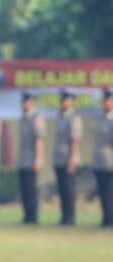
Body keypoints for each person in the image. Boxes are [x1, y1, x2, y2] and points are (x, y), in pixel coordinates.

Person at [54, 89, 82, 226]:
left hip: (69, 158)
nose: (63, 103)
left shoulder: (74, 119)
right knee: (62, 189)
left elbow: (75, 140)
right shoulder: (59, 117)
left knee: (69, 190)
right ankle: (64, 217)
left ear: (72, 102)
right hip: (59, 157)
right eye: (62, 100)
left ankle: (70, 218)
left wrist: (73, 160)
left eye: (66, 100)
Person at [18, 92, 46, 224]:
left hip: (32, 159)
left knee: (31, 189)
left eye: (27, 101)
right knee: (24, 189)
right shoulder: (24, 118)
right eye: (23, 101)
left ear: (33, 103)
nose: (24, 104)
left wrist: (38, 159)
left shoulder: (37, 118)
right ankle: (27, 216)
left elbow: (39, 140)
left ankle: (33, 217)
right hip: (23, 159)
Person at [92, 88, 113, 228]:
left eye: (108, 100)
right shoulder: (100, 119)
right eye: (104, 100)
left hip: (110, 161)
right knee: (103, 192)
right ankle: (106, 218)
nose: (105, 103)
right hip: (100, 161)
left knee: (110, 192)